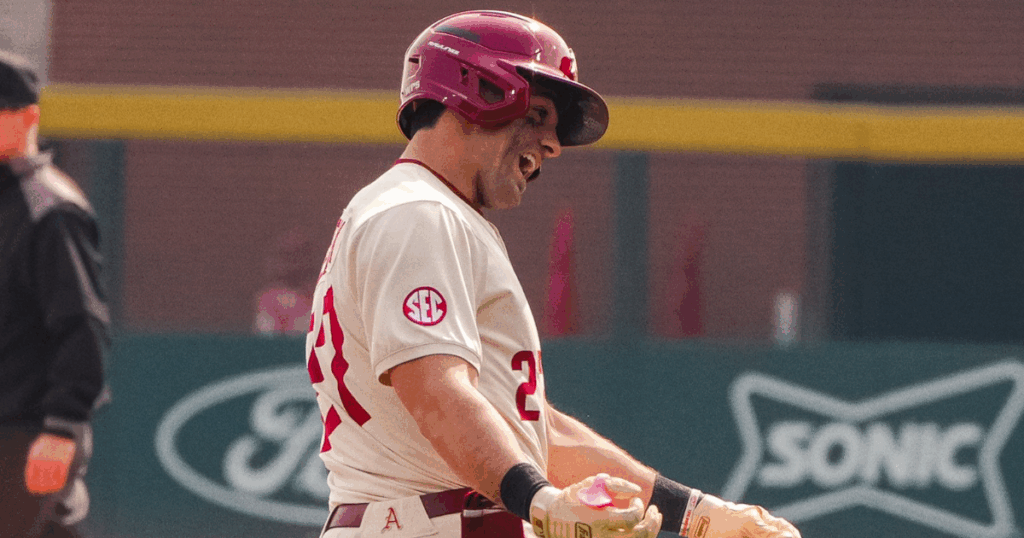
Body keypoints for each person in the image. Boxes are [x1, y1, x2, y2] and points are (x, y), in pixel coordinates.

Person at [305, 11, 801, 538]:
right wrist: (538, 499)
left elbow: (536, 432)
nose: (553, 144)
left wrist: (694, 514)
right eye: (537, 114)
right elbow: (435, 390)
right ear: (476, 90)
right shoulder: (418, 212)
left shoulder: (426, 211)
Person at [0, 50, 108, 538]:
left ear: (28, 119)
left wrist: (62, 427)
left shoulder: (49, 209)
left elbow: (81, 324)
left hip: (25, 431)